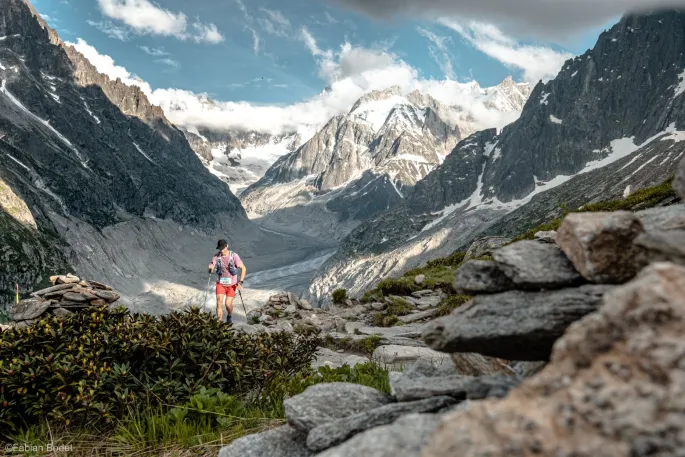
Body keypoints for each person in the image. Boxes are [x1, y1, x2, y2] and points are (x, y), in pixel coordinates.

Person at [208, 239, 246, 324]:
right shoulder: (217, 256)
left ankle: (229, 315)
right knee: (219, 302)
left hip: (232, 284)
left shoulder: (234, 256)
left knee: (228, 304)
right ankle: (219, 323)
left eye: (223, 248)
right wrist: (210, 268)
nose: (222, 250)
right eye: (220, 248)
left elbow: (243, 268)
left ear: (227, 246)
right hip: (220, 283)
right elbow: (212, 265)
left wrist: (241, 281)